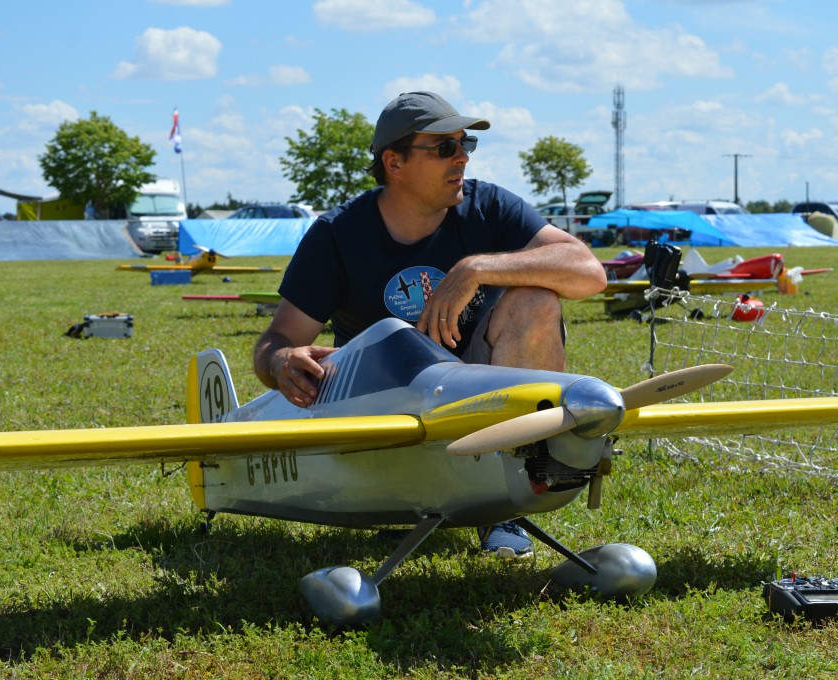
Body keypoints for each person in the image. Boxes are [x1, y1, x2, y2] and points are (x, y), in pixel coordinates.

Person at [253, 91, 607, 558]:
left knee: (536, 301)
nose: (461, 157)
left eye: (465, 146)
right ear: (394, 163)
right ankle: (397, 497)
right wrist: (282, 360)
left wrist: (476, 269)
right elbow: (276, 341)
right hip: (383, 417)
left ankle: (512, 505)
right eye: (444, 147)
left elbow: (588, 271)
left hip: (479, 399)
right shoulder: (338, 236)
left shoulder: (489, 207)